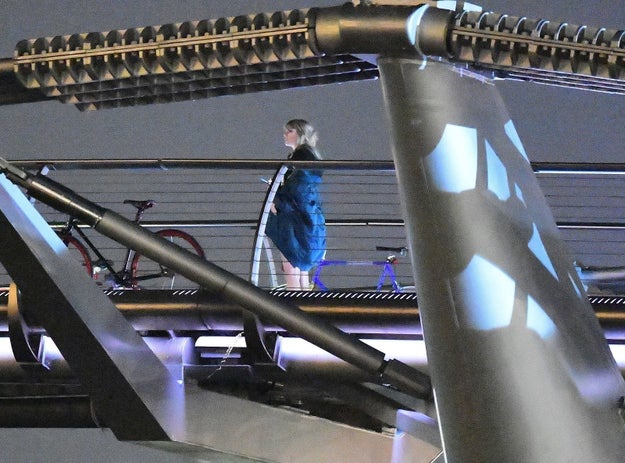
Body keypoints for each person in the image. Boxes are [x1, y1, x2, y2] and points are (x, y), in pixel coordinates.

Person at [265, 119, 326, 290]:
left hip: (294, 217)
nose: (285, 135)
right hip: (307, 215)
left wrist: (277, 198)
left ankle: (292, 303)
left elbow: (297, 189)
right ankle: (303, 302)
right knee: (301, 263)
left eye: (289, 131)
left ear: (299, 133)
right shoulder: (309, 154)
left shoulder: (299, 157)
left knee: (291, 259)